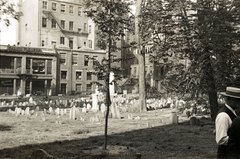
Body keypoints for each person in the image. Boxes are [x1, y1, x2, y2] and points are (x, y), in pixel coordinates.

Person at [215, 87, 240, 159]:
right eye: (236, 100)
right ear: (228, 99)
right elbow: (221, 140)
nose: (239, 102)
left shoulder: (234, 112)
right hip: (226, 154)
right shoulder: (224, 115)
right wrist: (236, 139)